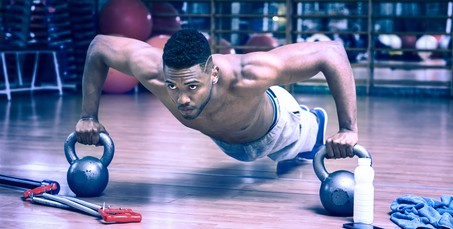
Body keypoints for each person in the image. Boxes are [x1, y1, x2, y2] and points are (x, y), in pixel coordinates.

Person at [76, 29, 358, 163]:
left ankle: (312, 122)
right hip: (227, 137)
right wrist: (88, 116)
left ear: (213, 73)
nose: (182, 99)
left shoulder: (250, 73)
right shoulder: (152, 71)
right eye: (173, 87)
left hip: (278, 129)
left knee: (295, 149)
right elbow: (99, 46)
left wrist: (347, 129)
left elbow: (331, 52)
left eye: (192, 87)